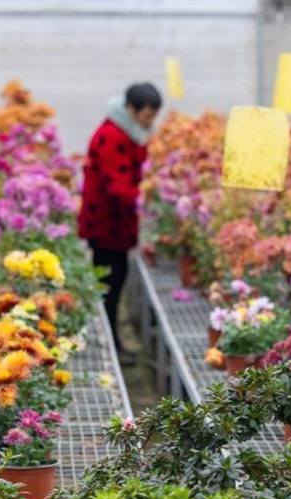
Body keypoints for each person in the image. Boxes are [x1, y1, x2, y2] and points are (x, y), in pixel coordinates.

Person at [78, 82, 162, 366]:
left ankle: (112, 342)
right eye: (146, 115)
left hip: (116, 222)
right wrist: (150, 201)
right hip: (106, 223)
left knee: (114, 281)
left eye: (153, 115)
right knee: (109, 285)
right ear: (130, 109)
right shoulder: (113, 136)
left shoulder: (126, 132)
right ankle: (109, 347)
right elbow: (119, 187)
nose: (149, 121)